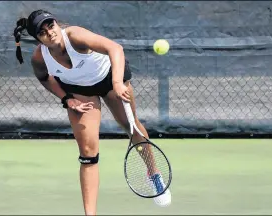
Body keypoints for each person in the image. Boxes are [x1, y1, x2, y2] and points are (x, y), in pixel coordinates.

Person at [13, 9, 171, 215]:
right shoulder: (39, 58)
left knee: (132, 128)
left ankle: (154, 174)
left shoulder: (76, 36)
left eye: (51, 25)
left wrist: (117, 83)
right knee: (87, 152)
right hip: (79, 91)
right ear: (38, 40)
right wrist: (66, 98)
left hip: (109, 79)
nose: (50, 32)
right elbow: (44, 78)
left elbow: (115, 49)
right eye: (42, 32)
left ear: (57, 24)